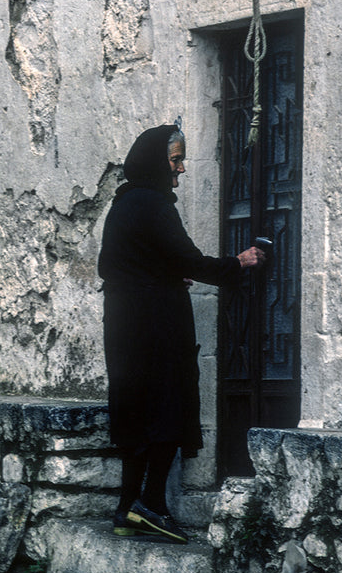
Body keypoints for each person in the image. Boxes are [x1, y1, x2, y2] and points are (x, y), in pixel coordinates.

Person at [98, 122, 265, 544]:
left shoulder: (124, 204)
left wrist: (164, 275)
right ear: (157, 162)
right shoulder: (154, 204)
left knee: (138, 413)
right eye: (175, 160)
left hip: (125, 323)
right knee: (167, 409)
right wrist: (237, 264)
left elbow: (136, 261)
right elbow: (187, 258)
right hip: (156, 325)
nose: (183, 168)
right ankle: (151, 504)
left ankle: (127, 508)